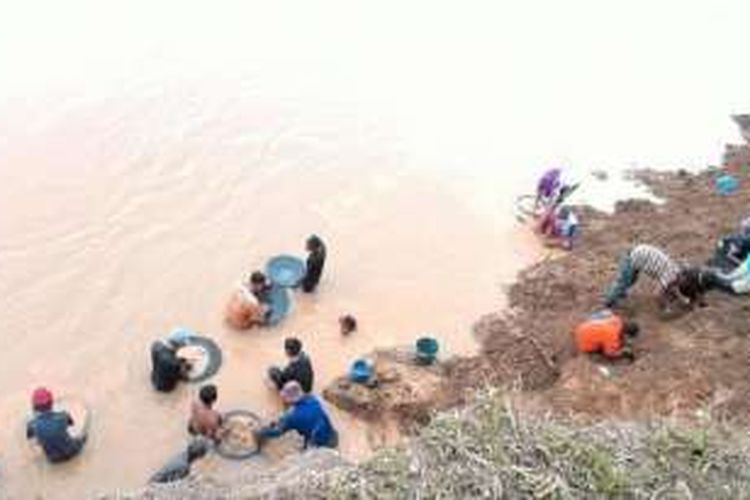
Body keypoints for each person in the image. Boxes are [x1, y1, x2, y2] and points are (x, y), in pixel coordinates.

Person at [603, 244, 701, 309]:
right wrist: (664, 306)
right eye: (685, 281)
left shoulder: (676, 271)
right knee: (623, 282)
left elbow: (673, 286)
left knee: (632, 279)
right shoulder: (670, 275)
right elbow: (657, 294)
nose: (683, 284)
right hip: (633, 258)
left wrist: (683, 300)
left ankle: (620, 293)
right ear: (682, 277)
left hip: (640, 255)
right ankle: (609, 301)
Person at [255, 381, 338, 449]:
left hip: (320, 442)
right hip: (330, 432)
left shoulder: (292, 417)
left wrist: (261, 432)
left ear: (290, 399)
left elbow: (278, 431)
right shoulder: (313, 399)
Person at [26, 388, 87, 463]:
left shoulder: (32, 425)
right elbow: (72, 424)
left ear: (34, 407)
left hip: (53, 459)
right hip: (73, 451)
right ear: (51, 403)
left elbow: (30, 438)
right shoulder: (62, 416)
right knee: (83, 435)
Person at [574, 310, 639, 360]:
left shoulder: (617, 320)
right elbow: (610, 354)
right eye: (628, 337)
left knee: (607, 314)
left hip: (583, 327)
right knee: (610, 349)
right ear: (626, 334)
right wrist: (624, 352)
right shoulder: (612, 336)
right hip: (583, 342)